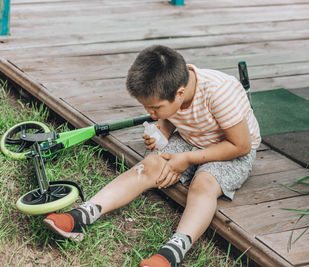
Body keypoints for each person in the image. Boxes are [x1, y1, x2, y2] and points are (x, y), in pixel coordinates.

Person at [43, 45, 261, 267]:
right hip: (191, 139)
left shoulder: (219, 93)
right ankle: (82, 215)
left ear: (180, 93)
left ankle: (172, 253)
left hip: (231, 150)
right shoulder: (173, 87)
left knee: (203, 184)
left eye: (155, 108)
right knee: (149, 165)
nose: (151, 114)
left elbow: (240, 145)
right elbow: (172, 115)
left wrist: (187, 159)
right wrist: (163, 129)